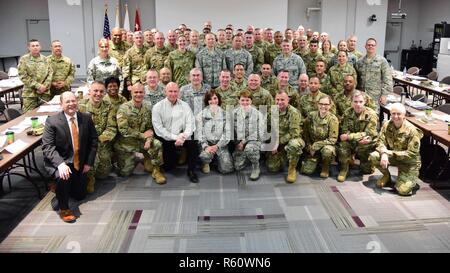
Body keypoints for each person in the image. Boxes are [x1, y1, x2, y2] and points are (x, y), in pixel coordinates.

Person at [42, 91, 98, 223]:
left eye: (73, 101)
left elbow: (94, 141)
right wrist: (60, 164)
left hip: (79, 161)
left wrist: (88, 163)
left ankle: (60, 187)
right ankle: (64, 208)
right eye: (67, 102)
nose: (71, 104)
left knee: (80, 196)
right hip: (60, 162)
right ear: (61, 104)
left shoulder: (86, 118)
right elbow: (47, 147)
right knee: (64, 176)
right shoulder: (52, 121)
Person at [114, 83, 166, 183]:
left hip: (142, 142)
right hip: (127, 143)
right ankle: (126, 159)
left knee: (157, 144)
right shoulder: (123, 109)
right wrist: (143, 135)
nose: (138, 94)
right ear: (131, 93)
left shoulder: (147, 108)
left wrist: (148, 140)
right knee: (125, 173)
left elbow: (150, 128)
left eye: (141, 92)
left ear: (144, 93)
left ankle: (156, 171)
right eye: (136, 92)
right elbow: (123, 130)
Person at [369, 103, 423, 196]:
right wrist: (384, 153)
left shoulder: (412, 130)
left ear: (404, 115)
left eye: (399, 114)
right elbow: (380, 142)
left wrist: (388, 152)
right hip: (394, 157)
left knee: (403, 191)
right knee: (374, 156)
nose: (396, 116)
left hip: (409, 162)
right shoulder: (387, 125)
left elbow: (411, 154)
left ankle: (405, 178)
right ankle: (387, 176)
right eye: (393, 113)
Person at [152, 82, 199, 183]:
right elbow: (159, 129)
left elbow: (190, 123)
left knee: (193, 142)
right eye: (170, 91)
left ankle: (191, 171)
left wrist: (183, 136)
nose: (173, 94)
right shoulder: (157, 107)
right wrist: (175, 137)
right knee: (169, 166)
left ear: (179, 93)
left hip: (182, 135)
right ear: (165, 92)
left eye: (175, 91)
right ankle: (178, 154)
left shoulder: (185, 105)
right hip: (166, 137)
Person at [78, 81, 117, 193]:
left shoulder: (109, 107)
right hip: (85, 144)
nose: (98, 94)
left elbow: (112, 128)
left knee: (104, 174)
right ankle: (90, 178)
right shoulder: (81, 107)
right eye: (95, 91)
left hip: (102, 142)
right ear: (89, 91)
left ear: (105, 93)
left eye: (101, 91)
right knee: (90, 158)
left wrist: (97, 142)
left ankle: (94, 171)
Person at [337, 91, 378, 182]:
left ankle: (363, 162)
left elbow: (368, 133)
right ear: (351, 102)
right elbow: (344, 132)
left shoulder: (371, 114)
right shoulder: (348, 112)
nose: (358, 104)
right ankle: (344, 169)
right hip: (352, 142)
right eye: (355, 102)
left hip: (365, 143)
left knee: (367, 171)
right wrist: (352, 137)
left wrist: (350, 136)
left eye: (360, 102)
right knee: (343, 145)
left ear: (365, 102)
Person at [266, 90, 304, 183]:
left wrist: (277, 143)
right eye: (277, 99)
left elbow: (293, 133)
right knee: (272, 168)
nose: (279, 102)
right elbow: (267, 127)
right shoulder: (272, 110)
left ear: (288, 100)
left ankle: (292, 169)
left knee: (294, 145)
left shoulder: (293, 112)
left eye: (282, 99)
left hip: (291, 140)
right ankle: (283, 157)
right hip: (277, 141)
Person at [196, 90, 234, 174]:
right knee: (204, 156)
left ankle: (216, 158)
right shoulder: (201, 115)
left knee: (227, 169)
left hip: (220, 145)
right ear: (207, 101)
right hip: (207, 144)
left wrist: (217, 146)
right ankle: (206, 162)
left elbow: (227, 134)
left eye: (215, 98)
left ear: (219, 99)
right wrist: (206, 147)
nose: (213, 101)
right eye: (210, 99)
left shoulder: (226, 114)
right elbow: (200, 133)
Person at [301, 95, 338, 178]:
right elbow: (305, 133)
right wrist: (309, 146)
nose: (323, 106)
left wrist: (315, 146)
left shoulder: (333, 119)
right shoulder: (311, 116)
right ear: (317, 104)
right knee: (307, 171)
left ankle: (325, 167)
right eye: (321, 104)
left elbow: (332, 140)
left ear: (330, 105)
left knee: (327, 151)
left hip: (325, 146)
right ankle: (314, 160)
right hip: (311, 147)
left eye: (326, 104)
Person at [232, 90, 264, 181]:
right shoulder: (233, 114)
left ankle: (255, 166)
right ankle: (248, 155)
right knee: (238, 166)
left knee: (250, 149)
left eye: (247, 100)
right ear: (239, 101)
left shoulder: (258, 114)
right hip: (239, 142)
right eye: (242, 100)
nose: (245, 103)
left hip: (254, 140)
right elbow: (230, 131)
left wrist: (243, 142)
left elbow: (259, 133)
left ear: (251, 101)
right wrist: (237, 143)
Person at [355, 38, 393, 109]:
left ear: (375, 47)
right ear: (365, 46)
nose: (370, 46)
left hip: (375, 96)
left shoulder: (382, 61)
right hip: (361, 96)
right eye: (369, 45)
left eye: (373, 45)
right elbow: (356, 78)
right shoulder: (360, 61)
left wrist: (384, 95)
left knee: (373, 116)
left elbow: (387, 79)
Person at [18, 39, 53, 112]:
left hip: (44, 93)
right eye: (33, 46)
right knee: (29, 115)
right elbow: (23, 76)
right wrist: (38, 86)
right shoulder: (24, 59)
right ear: (29, 48)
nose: (35, 47)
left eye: (37, 45)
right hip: (30, 94)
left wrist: (44, 87)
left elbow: (50, 74)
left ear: (40, 47)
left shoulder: (46, 59)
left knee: (45, 114)